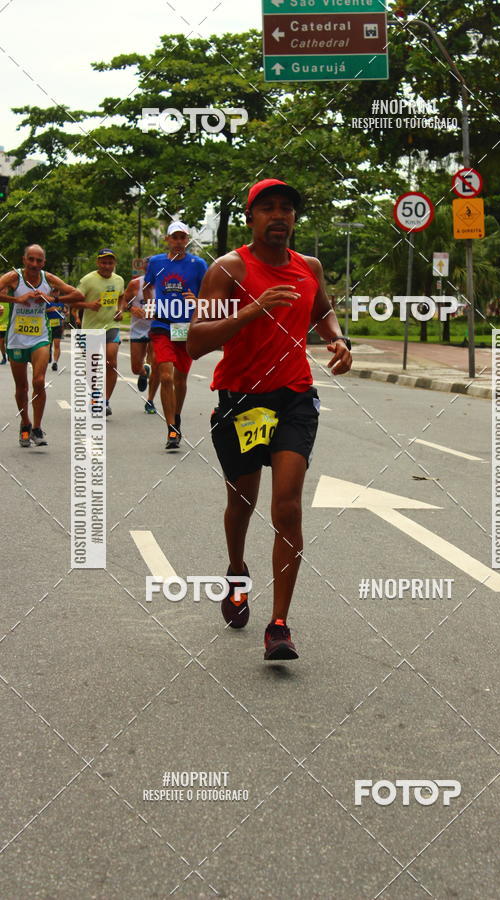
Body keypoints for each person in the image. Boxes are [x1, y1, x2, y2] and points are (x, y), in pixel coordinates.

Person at [187, 178, 352, 661]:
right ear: (250, 218)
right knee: (242, 503)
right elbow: (196, 341)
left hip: (294, 399)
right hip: (240, 400)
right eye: (268, 209)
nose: (279, 216)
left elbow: (324, 313)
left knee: (288, 506)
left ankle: (278, 625)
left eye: (287, 209)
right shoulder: (227, 270)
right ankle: (237, 569)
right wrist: (251, 313)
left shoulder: (310, 268)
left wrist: (338, 340)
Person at [0, 244, 83, 446]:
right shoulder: (14, 277)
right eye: (31, 259)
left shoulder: (49, 279)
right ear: (24, 259)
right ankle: (25, 423)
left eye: (39, 260)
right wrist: (17, 298)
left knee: (38, 381)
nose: (35, 264)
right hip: (16, 339)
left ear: (43, 262)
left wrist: (53, 298)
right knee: (22, 386)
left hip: (40, 338)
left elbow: (78, 295)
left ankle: (37, 427)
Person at [144, 222, 207, 449]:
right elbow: (147, 286)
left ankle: (177, 418)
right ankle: (171, 429)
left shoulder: (198, 265)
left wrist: (198, 302)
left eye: (182, 237)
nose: (179, 241)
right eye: (175, 237)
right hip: (162, 324)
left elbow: (210, 295)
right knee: (167, 377)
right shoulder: (156, 262)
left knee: (180, 379)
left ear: (187, 240)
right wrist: (151, 304)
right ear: (167, 240)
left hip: (186, 327)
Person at [73, 249, 125, 416]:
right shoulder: (88, 280)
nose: (106, 266)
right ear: (98, 262)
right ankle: (95, 396)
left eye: (110, 263)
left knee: (112, 362)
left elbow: (121, 297)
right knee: (92, 366)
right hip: (91, 328)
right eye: (103, 262)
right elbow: (73, 301)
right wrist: (89, 306)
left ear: (114, 264)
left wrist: (120, 310)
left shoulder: (119, 280)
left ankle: (105, 401)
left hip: (111, 326)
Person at [120, 259, 159, 413]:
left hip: (158, 328)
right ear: (144, 268)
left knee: (157, 364)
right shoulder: (136, 284)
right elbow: (124, 302)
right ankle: (143, 372)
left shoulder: (164, 284)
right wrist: (131, 309)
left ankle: (150, 400)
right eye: (148, 267)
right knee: (135, 368)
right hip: (138, 329)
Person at [47, 287, 66, 371]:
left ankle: (55, 362)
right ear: (51, 292)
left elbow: (64, 311)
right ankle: (49, 354)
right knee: (48, 345)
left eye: (57, 291)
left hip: (58, 325)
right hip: (48, 325)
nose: (56, 293)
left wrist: (66, 312)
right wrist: (49, 310)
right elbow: (41, 311)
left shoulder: (61, 302)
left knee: (57, 344)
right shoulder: (47, 301)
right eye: (54, 292)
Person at [0, 299, 8, 363]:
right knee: (1, 343)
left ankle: (10, 356)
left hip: (9, 325)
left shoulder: (11, 301)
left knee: (8, 342)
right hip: (1, 326)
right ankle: (4, 358)